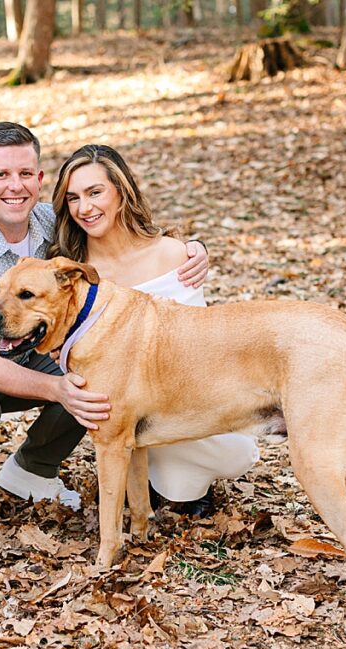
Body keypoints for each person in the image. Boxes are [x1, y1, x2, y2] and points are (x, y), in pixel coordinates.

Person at [0, 123, 209, 542]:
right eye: (1, 175)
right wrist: (58, 389)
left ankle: (32, 470)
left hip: (19, 347)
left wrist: (191, 248)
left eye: (25, 173)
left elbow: (119, 235)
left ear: (39, 178)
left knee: (93, 374)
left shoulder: (47, 221)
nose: (15, 186)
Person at [49, 144, 259, 516]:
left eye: (95, 192)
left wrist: (196, 247)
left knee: (236, 453)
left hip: (182, 393)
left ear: (121, 190)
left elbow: (199, 348)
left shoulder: (172, 254)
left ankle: (178, 478)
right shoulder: (72, 274)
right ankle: (136, 473)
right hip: (117, 405)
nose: (85, 208)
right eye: (73, 198)